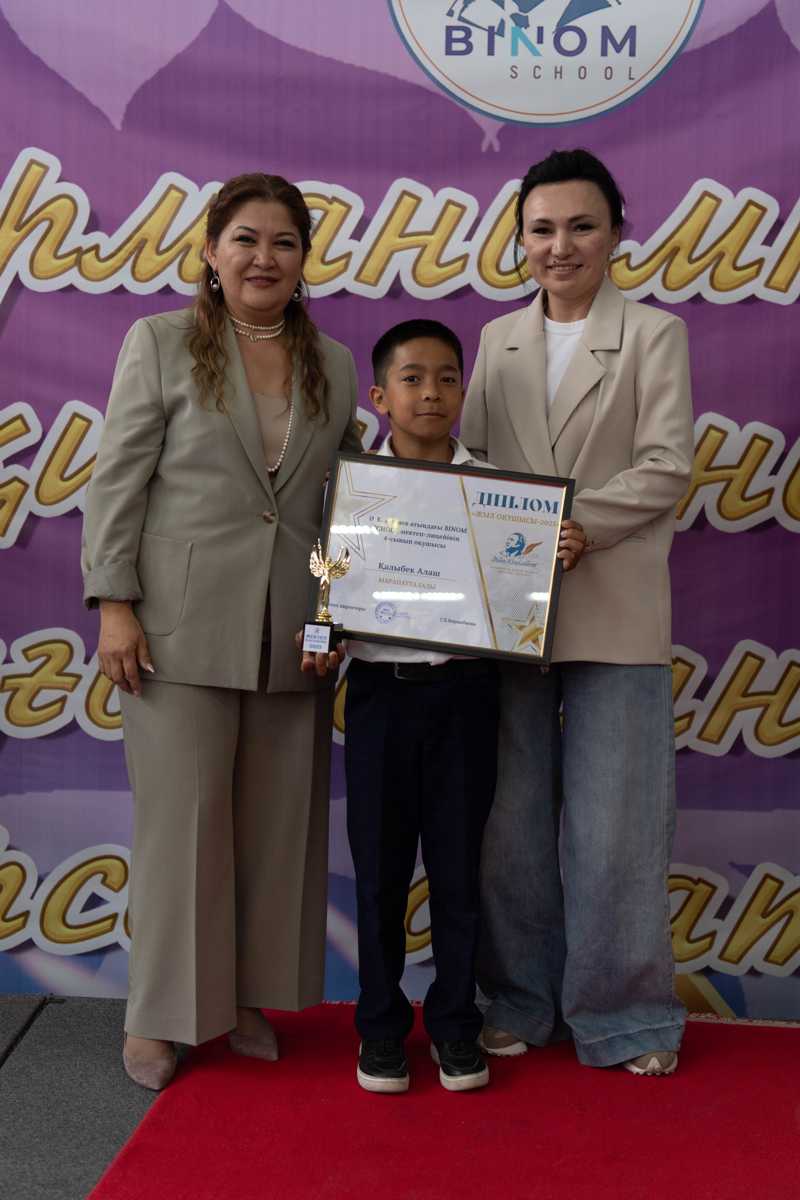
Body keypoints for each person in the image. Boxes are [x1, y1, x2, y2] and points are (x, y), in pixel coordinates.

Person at [81, 173, 362, 1090]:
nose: (263, 257)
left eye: (284, 242)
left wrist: (334, 615)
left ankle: (244, 999)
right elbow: (119, 479)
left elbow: (347, 511)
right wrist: (114, 603)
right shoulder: (160, 342)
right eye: (245, 239)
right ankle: (159, 1016)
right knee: (183, 830)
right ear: (211, 250)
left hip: (293, 635)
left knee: (274, 831)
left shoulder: (335, 363)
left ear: (305, 258)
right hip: (175, 630)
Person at [461, 149, 694, 1076]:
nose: (561, 246)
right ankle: (520, 1001)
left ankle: (627, 1016)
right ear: (520, 240)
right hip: (507, 614)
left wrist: (579, 525)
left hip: (616, 610)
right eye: (543, 229)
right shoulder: (495, 340)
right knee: (510, 827)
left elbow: (667, 466)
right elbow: (473, 463)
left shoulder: (656, 335)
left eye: (582, 226)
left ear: (616, 233)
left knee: (617, 828)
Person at [335, 318, 586, 1093]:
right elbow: (322, 584)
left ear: (464, 391)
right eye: (411, 379)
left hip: (467, 696)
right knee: (379, 873)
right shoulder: (353, 485)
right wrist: (317, 640)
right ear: (379, 396)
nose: (431, 393)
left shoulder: (500, 494)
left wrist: (553, 554)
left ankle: (454, 1025)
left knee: (457, 871)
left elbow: (519, 593)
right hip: (378, 697)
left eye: (447, 377)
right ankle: (380, 1029)